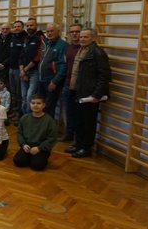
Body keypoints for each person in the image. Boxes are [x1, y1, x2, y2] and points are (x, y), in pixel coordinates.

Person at [66, 28, 111, 158]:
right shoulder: (81, 50)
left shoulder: (98, 53)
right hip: (77, 90)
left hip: (89, 94)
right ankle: (78, 144)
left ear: (94, 38)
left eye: (85, 37)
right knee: (79, 120)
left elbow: (104, 76)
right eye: (81, 37)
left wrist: (96, 95)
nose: (82, 39)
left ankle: (86, 148)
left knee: (88, 122)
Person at [14, 94, 58, 171]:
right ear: (30, 104)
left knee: (37, 166)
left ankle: (37, 158)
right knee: (18, 161)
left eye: (38, 103)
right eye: (33, 103)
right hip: (27, 146)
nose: (35, 105)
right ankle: (31, 158)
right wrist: (23, 145)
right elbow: (19, 133)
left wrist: (39, 148)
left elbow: (52, 138)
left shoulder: (49, 121)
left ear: (43, 105)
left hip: (41, 148)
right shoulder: (24, 118)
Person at [37, 22, 67, 118]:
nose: (49, 33)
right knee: (40, 106)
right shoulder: (46, 42)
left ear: (58, 32)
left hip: (51, 82)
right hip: (41, 80)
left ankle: (48, 131)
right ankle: (41, 128)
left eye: (52, 31)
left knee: (49, 108)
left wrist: (54, 81)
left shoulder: (63, 45)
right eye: (48, 31)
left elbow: (64, 66)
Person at [61, 23, 83, 142]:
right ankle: (69, 134)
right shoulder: (68, 48)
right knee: (69, 112)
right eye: (72, 32)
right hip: (67, 84)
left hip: (80, 87)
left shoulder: (85, 49)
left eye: (77, 31)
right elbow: (65, 66)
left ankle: (77, 139)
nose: (74, 34)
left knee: (79, 114)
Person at [19, 18, 44, 114]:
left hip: (34, 72)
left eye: (31, 25)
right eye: (27, 26)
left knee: (30, 96)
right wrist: (22, 71)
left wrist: (25, 69)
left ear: (36, 26)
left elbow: (38, 57)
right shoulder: (26, 38)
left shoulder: (40, 38)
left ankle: (31, 117)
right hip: (23, 72)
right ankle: (25, 118)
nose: (29, 27)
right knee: (24, 97)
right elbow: (21, 56)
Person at [8, 20, 26, 123]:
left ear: (22, 27)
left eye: (18, 26)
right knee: (13, 93)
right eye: (15, 27)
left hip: (19, 70)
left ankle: (19, 114)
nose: (16, 28)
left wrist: (22, 69)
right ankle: (14, 112)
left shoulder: (25, 38)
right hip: (11, 68)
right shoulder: (12, 37)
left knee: (19, 94)